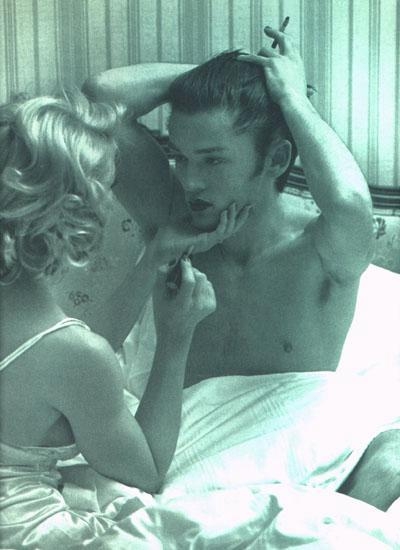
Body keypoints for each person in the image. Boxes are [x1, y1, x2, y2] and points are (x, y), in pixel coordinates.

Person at [82, 26, 399, 511]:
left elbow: (350, 203)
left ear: (276, 159)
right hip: (180, 450)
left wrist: (291, 98)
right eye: (182, 157)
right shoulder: (173, 222)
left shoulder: (322, 249)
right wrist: (242, 78)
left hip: (294, 455)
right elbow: (101, 97)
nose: (191, 180)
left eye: (212, 161)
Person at [0, 89, 250, 547]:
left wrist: (152, 258)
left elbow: (56, 357)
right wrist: (176, 336)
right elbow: (147, 470)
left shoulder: (52, 341)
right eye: (107, 189)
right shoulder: (74, 356)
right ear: (71, 210)